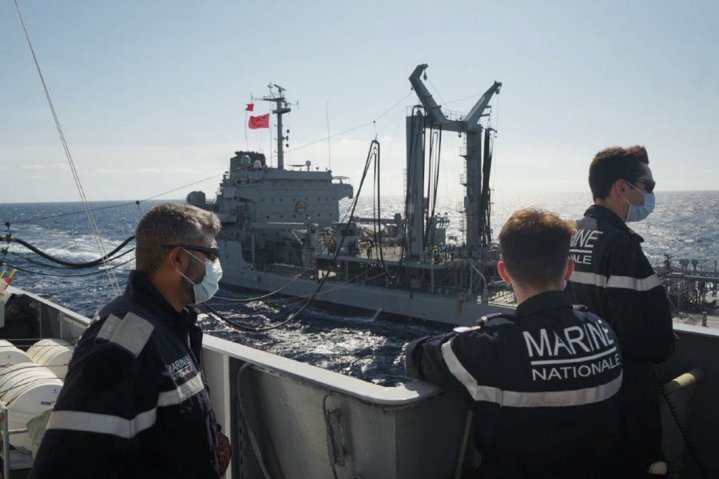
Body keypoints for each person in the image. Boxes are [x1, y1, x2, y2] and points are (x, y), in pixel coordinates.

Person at [406, 208, 622, 479]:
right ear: (568, 269)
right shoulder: (605, 333)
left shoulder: (490, 349)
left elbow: (414, 355)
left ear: (504, 272)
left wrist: (469, 337)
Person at [30, 203, 232, 479]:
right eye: (210, 254)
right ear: (179, 260)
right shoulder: (121, 346)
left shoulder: (171, 328)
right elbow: (65, 466)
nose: (214, 265)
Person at [566, 145, 675, 478]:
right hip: (625, 399)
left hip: (581, 393)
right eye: (648, 185)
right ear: (621, 187)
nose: (650, 193)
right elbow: (645, 336)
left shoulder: (574, 234)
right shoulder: (621, 246)